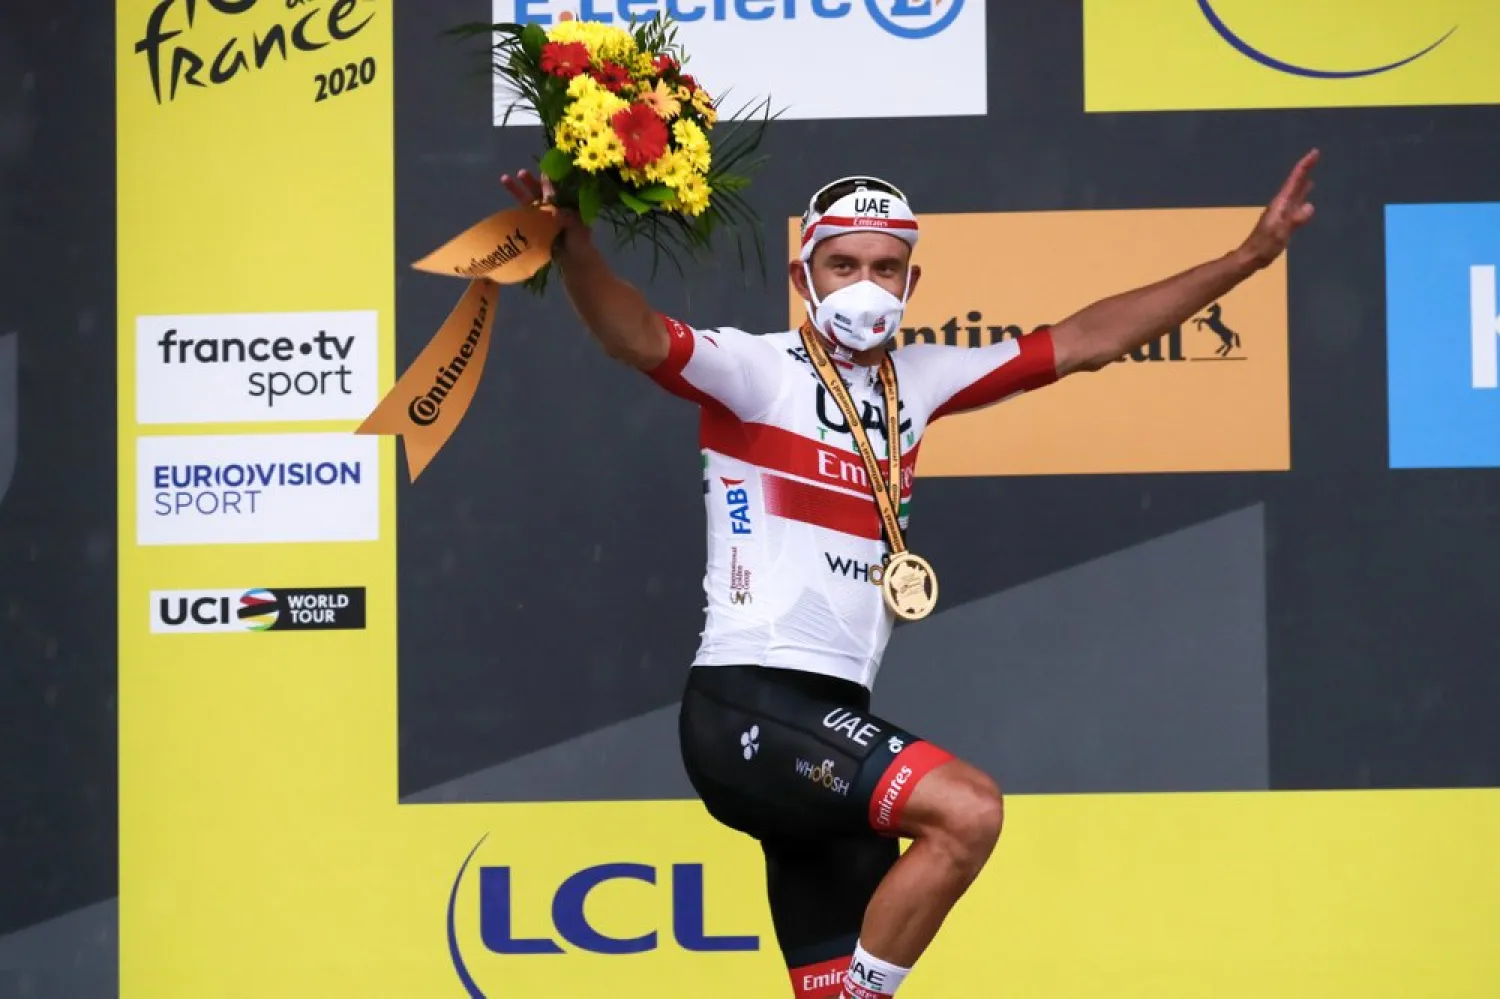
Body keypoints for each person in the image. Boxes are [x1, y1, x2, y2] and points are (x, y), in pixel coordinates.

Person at [500, 148, 1319, 999]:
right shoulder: (754, 371)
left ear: (911, 282)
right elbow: (631, 334)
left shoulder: (917, 384)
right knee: (967, 811)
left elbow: (1085, 341)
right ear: (802, 274)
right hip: (750, 704)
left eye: (886, 268)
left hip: (830, 723)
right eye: (843, 263)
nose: (865, 284)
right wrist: (576, 249)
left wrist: (1248, 258)